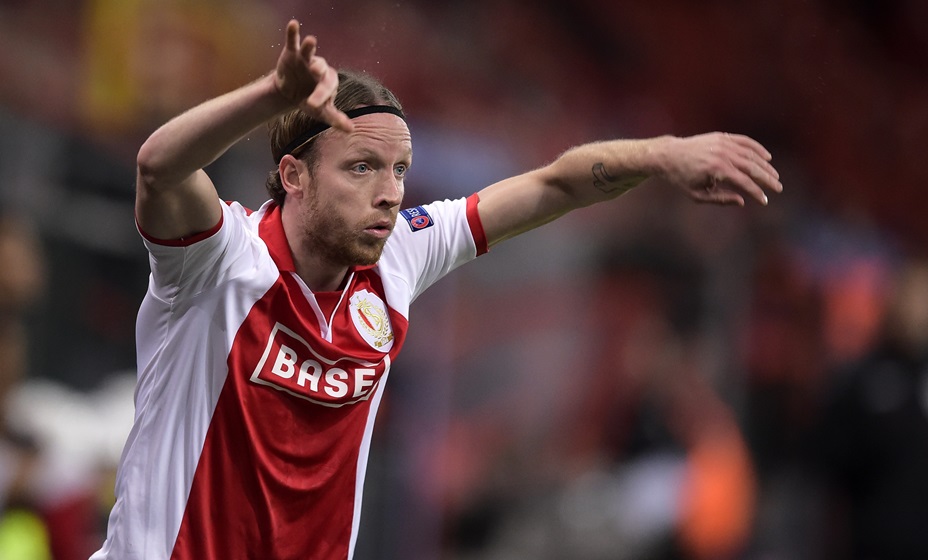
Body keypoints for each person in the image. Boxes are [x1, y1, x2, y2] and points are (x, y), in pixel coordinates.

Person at [91, 19, 782, 560]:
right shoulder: (217, 259)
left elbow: (556, 183)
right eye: (362, 167)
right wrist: (275, 96)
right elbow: (158, 166)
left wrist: (663, 154)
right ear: (294, 176)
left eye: (399, 170)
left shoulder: (400, 253)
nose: (390, 193)